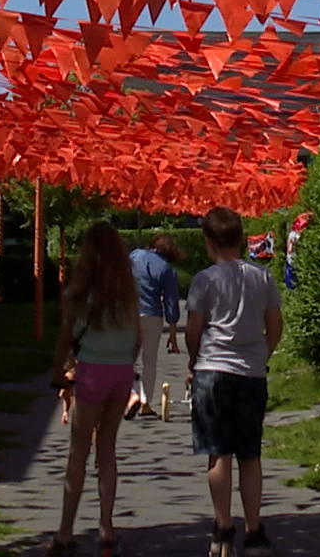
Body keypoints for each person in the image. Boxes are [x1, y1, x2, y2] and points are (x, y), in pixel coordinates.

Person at [185, 207, 283, 557]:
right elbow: (275, 326)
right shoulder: (262, 277)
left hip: (213, 370)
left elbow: (194, 329)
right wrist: (262, 355)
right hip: (251, 373)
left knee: (218, 453)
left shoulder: (205, 280)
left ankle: (222, 526)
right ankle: (254, 530)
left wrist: (193, 361)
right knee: (250, 454)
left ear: (208, 241)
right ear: (242, 239)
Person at [46, 222, 140, 556]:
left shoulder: (81, 290)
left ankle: (66, 530)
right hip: (121, 372)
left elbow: (65, 337)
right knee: (108, 450)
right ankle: (106, 526)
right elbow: (138, 337)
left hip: (90, 373)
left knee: (78, 451)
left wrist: (59, 371)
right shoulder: (128, 289)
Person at [127, 233, 183, 420]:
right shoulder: (166, 269)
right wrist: (173, 334)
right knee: (149, 361)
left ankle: (131, 394)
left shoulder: (134, 256)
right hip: (153, 315)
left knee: (128, 358)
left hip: (129, 313)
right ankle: (145, 403)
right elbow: (171, 303)